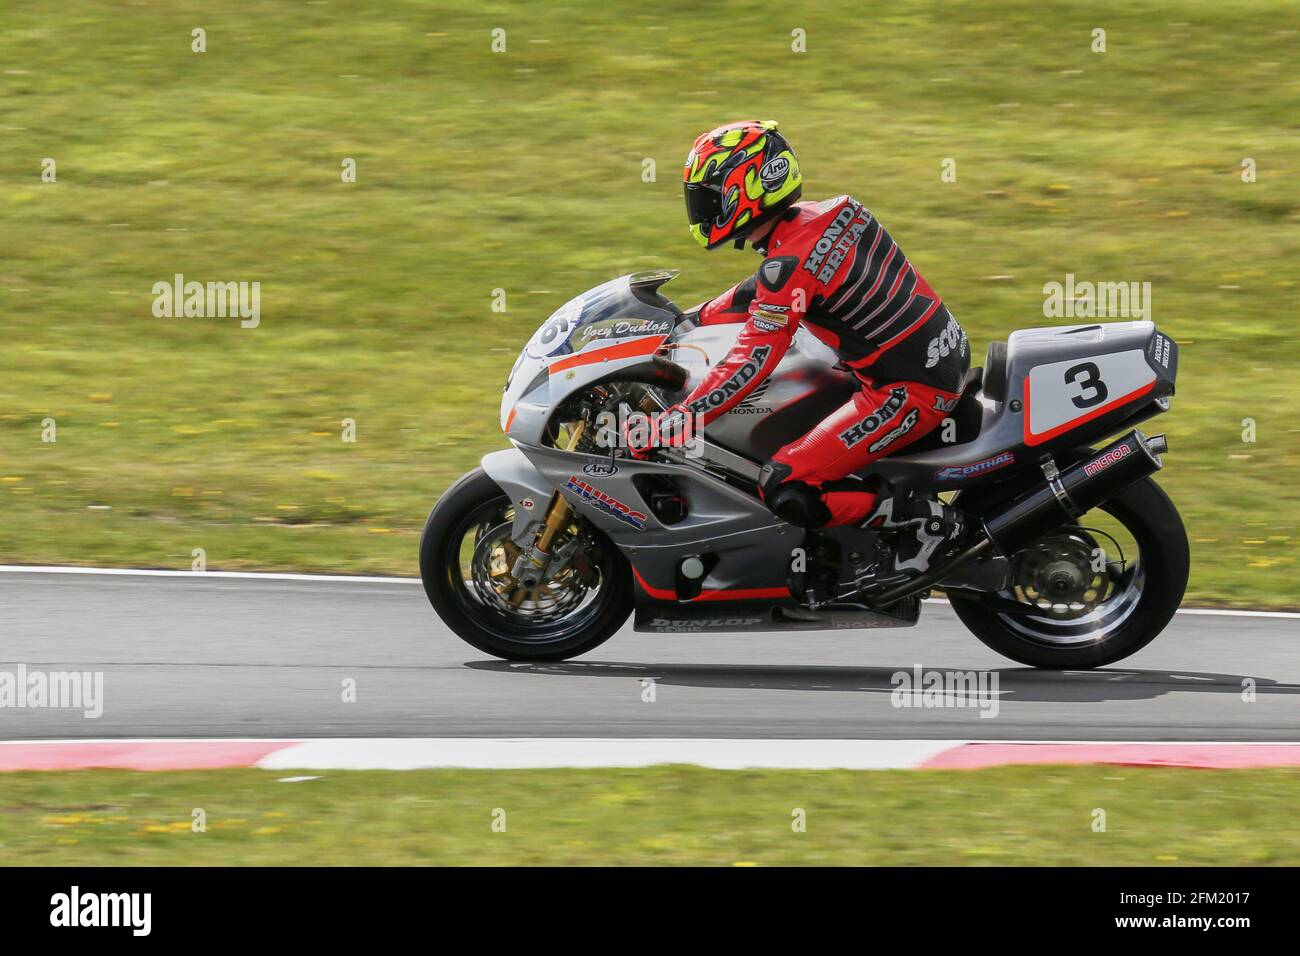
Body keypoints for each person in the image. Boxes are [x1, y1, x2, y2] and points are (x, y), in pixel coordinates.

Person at [627, 120, 971, 573]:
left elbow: (751, 359)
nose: (700, 207)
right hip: (942, 355)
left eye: (708, 195)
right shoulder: (832, 214)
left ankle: (927, 523)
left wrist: (681, 420)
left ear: (744, 189)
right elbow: (762, 291)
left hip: (908, 391)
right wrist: (687, 318)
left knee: (786, 482)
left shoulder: (788, 263)